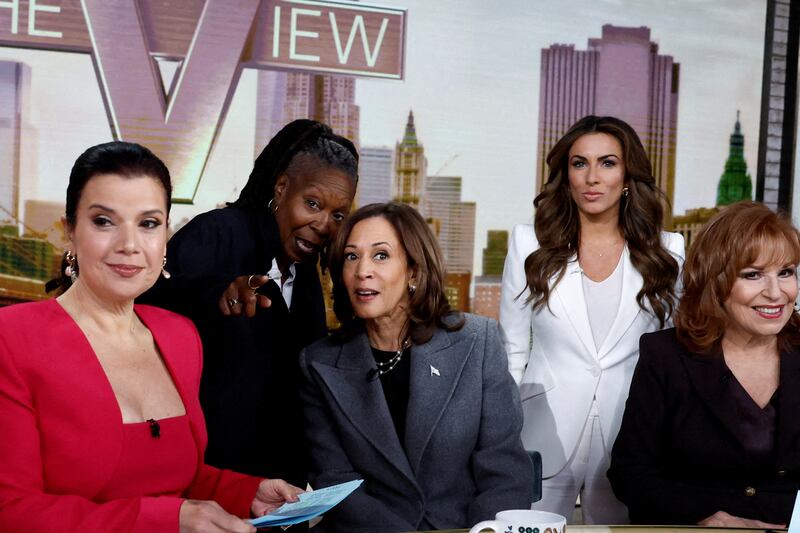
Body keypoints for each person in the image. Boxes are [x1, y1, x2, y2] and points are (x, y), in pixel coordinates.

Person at [0, 142, 302, 533]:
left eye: (148, 223)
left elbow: (178, 478)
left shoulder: (179, 335)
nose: (129, 245)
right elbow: (11, 511)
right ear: (70, 232)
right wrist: (167, 520)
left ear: (164, 238)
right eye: (104, 221)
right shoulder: (12, 337)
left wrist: (245, 492)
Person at [141, 120, 358, 488]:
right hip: (203, 490)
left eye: (338, 215)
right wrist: (214, 293)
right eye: (313, 204)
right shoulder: (217, 232)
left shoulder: (305, 276)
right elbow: (147, 307)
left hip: (275, 497)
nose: (324, 225)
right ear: (282, 187)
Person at [300, 202, 535, 533]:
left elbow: (505, 473)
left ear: (413, 271)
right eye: (352, 256)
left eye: (380, 255)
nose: (362, 270)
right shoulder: (319, 363)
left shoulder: (477, 342)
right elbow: (336, 485)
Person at [499, 115, 684, 523]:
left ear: (628, 175)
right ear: (565, 176)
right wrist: (504, 434)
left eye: (607, 163)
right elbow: (511, 349)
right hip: (540, 432)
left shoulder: (669, 251)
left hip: (633, 434)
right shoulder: (528, 242)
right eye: (579, 163)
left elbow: (674, 358)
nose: (592, 177)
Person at [609, 201, 800, 526]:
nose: (775, 292)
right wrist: (704, 517)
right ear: (716, 283)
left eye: (786, 273)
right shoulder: (667, 356)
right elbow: (630, 473)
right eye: (753, 275)